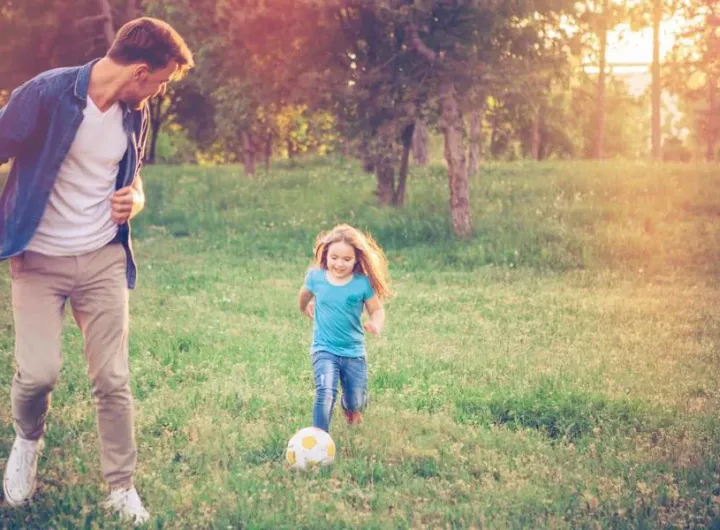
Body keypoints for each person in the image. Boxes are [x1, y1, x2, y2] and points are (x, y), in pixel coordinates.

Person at [0, 17, 193, 524]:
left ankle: (120, 486)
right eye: (162, 80)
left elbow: (134, 181)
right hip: (39, 259)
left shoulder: (135, 112)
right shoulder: (45, 94)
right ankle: (27, 441)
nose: (159, 90)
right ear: (140, 71)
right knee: (39, 373)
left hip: (103, 257)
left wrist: (138, 199)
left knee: (112, 376)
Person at [298, 224, 392, 433]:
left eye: (346, 259)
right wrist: (305, 307)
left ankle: (350, 407)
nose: (339, 264)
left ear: (357, 259)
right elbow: (303, 296)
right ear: (326, 254)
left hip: (353, 351)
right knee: (325, 391)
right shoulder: (316, 278)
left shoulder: (362, 284)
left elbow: (377, 310)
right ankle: (319, 437)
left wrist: (375, 324)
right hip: (324, 348)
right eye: (334, 257)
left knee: (356, 400)